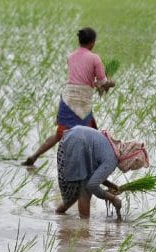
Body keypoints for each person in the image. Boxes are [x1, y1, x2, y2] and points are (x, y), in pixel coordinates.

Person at [23, 27, 115, 166]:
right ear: (92, 43)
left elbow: (80, 79)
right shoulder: (95, 58)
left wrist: (94, 84)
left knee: (60, 134)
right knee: (90, 136)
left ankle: (35, 155)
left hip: (67, 99)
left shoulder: (70, 56)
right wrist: (110, 83)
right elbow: (102, 82)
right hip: (82, 101)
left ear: (79, 41)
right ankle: (91, 168)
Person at [56, 125, 149, 220]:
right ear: (129, 159)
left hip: (72, 137)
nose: (128, 169)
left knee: (77, 190)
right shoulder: (112, 160)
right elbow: (92, 185)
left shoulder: (114, 149)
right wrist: (113, 198)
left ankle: (59, 213)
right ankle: (84, 225)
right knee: (85, 191)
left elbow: (93, 175)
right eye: (130, 166)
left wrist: (110, 185)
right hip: (76, 143)